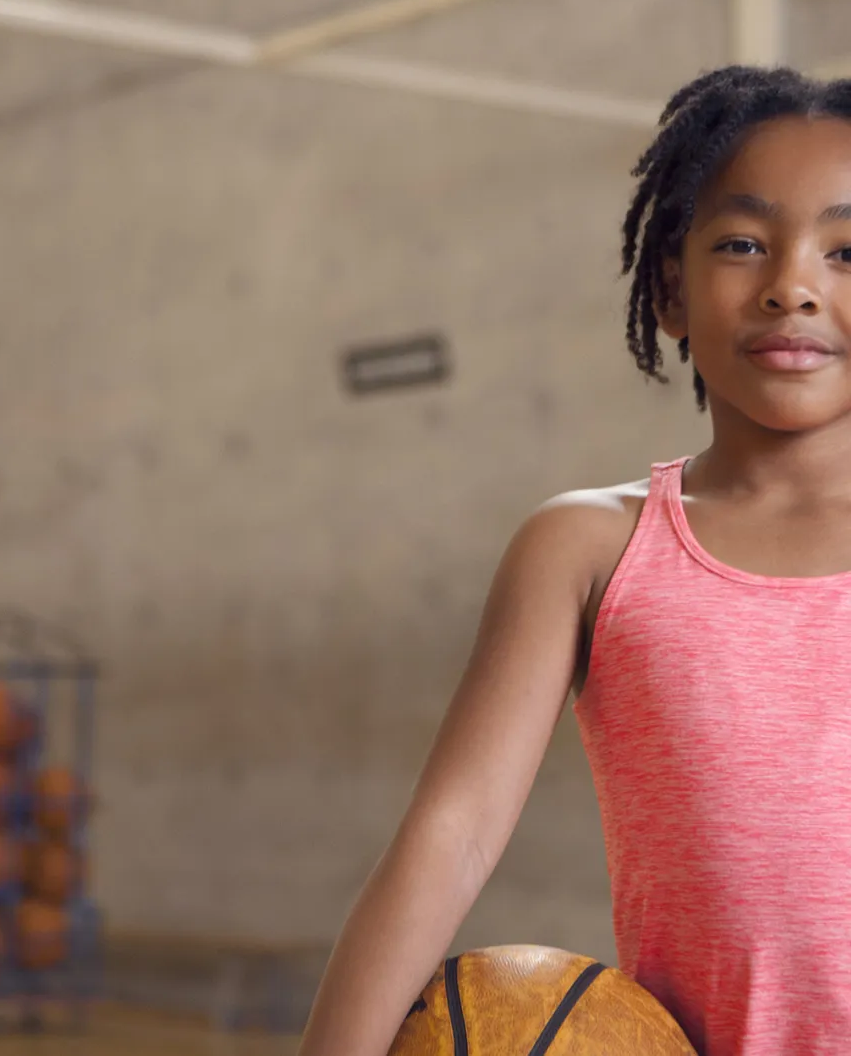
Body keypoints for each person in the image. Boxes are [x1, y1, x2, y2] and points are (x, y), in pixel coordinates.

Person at [296, 66, 851, 1056]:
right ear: (669, 288)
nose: (791, 284)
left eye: (846, 251)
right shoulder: (590, 550)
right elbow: (449, 835)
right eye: (739, 243)